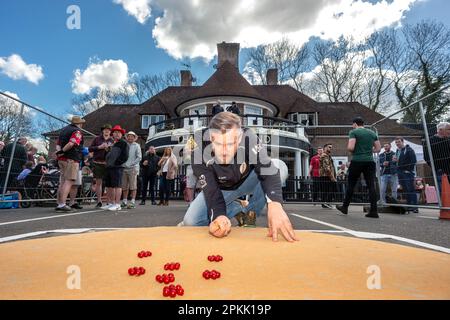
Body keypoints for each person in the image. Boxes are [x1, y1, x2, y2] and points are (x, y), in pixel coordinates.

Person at [182, 112, 298, 242]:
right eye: (219, 144)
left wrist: (275, 204)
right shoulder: (197, 147)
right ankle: (238, 208)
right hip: (220, 188)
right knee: (191, 221)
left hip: (249, 180)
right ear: (211, 138)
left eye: (231, 144)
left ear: (239, 138)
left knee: (277, 166)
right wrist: (219, 216)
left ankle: (251, 213)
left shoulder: (249, 137)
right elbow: (211, 190)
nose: (225, 151)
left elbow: (268, 170)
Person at [336, 117, 381, 218]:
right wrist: (369, 151)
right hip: (369, 161)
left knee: (351, 184)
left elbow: (351, 147)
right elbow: (378, 148)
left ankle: (345, 207)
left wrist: (353, 151)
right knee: (371, 186)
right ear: (363, 123)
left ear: (355, 124)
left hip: (357, 161)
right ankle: (374, 211)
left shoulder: (354, 132)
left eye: (352, 124)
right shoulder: (372, 133)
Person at [55, 116, 85, 211]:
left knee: (63, 181)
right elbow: (72, 143)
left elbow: (58, 144)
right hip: (71, 158)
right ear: (79, 124)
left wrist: (59, 153)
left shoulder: (63, 130)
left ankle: (59, 203)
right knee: (69, 181)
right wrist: (63, 151)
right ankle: (62, 204)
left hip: (62, 159)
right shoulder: (77, 131)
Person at [101, 125, 129, 211]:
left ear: (121, 134)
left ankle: (117, 204)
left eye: (118, 132)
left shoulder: (123, 143)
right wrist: (106, 151)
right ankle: (111, 203)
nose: (116, 134)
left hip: (117, 167)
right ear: (112, 134)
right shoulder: (112, 143)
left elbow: (125, 156)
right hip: (109, 167)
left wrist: (117, 163)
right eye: (115, 132)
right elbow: (107, 156)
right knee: (109, 186)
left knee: (117, 185)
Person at [89, 124, 114, 208]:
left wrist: (109, 149)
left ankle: (108, 201)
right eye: (105, 129)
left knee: (108, 184)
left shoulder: (112, 140)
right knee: (98, 183)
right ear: (103, 131)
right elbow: (90, 148)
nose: (107, 131)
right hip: (98, 163)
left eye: (108, 130)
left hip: (108, 164)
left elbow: (114, 152)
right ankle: (99, 201)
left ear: (110, 132)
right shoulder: (97, 139)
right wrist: (99, 147)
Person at [423, 122, 450, 193]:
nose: (449, 131)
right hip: (439, 171)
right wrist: (437, 168)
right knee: (444, 192)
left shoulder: (448, 140)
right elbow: (426, 157)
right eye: (448, 129)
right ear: (440, 130)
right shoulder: (429, 141)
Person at [394, 137, 418, 213]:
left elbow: (413, 161)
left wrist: (408, 170)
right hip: (400, 172)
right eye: (396, 142)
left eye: (399, 142)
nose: (397, 144)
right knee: (405, 190)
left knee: (410, 189)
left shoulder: (409, 150)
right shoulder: (397, 150)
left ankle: (414, 207)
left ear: (402, 142)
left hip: (407, 172)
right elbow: (398, 162)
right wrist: (395, 161)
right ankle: (409, 205)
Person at [121, 131, 142, 209]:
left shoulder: (137, 145)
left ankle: (132, 201)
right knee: (124, 186)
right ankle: (124, 201)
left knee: (133, 186)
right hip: (124, 168)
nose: (130, 138)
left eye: (131, 136)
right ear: (127, 137)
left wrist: (132, 164)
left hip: (133, 168)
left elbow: (139, 157)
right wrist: (122, 164)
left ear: (134, 138)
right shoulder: (124, 145)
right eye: (128, 136)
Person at [319, 143, 337, 209]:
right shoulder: (324, 156)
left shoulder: (328, 155)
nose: (330, 148)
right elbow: (327, 168)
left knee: (328, 190)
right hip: (325, 176)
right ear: (325, 148)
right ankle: (326, 203)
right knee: (327, 190)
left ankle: (326, 203)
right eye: (329, 147)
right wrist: (332, 177)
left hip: (327, 175)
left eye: (331, 147)